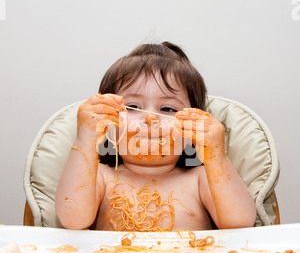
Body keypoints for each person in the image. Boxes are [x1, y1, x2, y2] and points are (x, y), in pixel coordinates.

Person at [55, 42, 256, 231]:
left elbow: (240, 224)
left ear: (193, 130)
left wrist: (217, 157)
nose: (151, 118)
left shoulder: (200, 179)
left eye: (167, 108)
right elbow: (72, 220)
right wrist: (85, 139)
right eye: (132, 107)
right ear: (107, 124)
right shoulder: (101, 177)